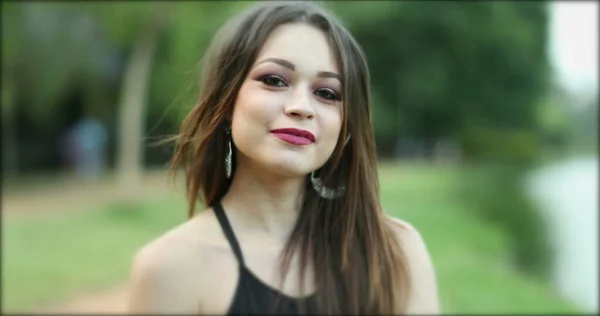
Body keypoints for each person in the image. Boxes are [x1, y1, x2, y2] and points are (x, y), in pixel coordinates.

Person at [127, 1, 439, 314]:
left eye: (327, 93)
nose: (302, 106)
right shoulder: (170, 270)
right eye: (275, 80)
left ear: (345, 127)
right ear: (226, 100)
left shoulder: (394, 251)